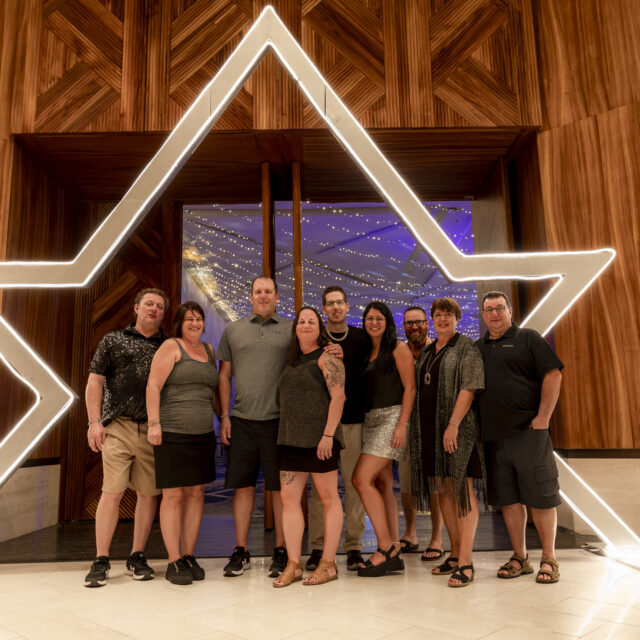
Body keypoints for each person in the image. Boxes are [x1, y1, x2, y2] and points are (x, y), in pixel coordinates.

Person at [476, 291, 563, 584]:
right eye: (489, 309)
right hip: (494, 439)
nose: (494, 314)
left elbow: (553, 374)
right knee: (509, 500)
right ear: (483, 314)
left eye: (500, 308)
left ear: (510, 311)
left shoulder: (528, 338)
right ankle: (520, 557)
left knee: (541, 497)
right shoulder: (479, 348)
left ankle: (549, 559)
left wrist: (543, 419)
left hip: (529, 433)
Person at [84, 288, 169, 588]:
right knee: (112, 492)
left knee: (148, 494)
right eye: (149, 304)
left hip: (152, 429)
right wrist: (94, 422)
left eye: (159, 306)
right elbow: (95, 382)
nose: (154, 309)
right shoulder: (113, 340)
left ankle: (137, 556)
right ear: (136, 308)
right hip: (117, 426)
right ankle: (101, 559)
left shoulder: (168, 345)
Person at [218, 276, 293, 578]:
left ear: (277, 297)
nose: (263, 296)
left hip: (279, 422)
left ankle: (281, 549)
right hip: (242, 420)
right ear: (250, 297)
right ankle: (241, 550)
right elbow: (224, 375)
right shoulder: (233, 330)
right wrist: (225, 416)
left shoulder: (291, 329)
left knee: (279, 489)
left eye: (268, 292)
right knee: (243, 487)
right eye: (258, 291)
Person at [409, 297, 485, 588]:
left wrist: (453, 424)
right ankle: (454, 554)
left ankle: (466, 561)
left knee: (461, 489)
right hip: (430, 430)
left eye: (448, 315)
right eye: (438, 315)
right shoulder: (428, 351)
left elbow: (470, 387)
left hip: (458, 429)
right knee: (443, 489)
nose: (442, 319)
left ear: (457, 318)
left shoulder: (466, 348)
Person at [146, 302, 219, 585]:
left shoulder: (209, 351)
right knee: (173, 496)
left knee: (196, 493)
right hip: (173, 434)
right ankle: (173, 559)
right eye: (189, 319)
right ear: (179, 323)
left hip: (203, 435)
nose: (195, 323)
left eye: (199, 319)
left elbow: (212, 391)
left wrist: (223, 418)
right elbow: (153, 385)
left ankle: (188, 554)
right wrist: (154, 423)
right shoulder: (171, 346)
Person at [273, 307, 346, 587]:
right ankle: (293, 564)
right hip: (290, 438)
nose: (305, 325)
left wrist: (328, 435)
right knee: (289, 500)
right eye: (301, 321)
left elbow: (339, 397)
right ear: (295, 328)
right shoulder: (290, 359)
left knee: (328, 499)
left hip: (321, 440)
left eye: (311, 321)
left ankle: (328, 564)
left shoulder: (328, 357)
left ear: (319, 328)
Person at [352, 301, 416, 577]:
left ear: (387, 321)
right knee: (383, 483)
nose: (374, 322)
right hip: (371, 420)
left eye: (379, 318)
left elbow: (410, 388)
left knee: (360, 479)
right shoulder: (366, 350)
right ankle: (394, 548)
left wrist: (402, 425)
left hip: (392, 418)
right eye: (369, 318)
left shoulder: (398, 348)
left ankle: (385, 547)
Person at [306, 286, 367, 572]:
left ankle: (354, 546)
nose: (335, 307)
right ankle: (318, 547)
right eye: (330, 303)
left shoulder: (361, 338)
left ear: (347, 305)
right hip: (323, 424)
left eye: (339, 302)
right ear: (323, 309)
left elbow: (368, 375)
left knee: (354, 484)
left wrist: (346, 359)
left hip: (353, 420)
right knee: (321, 490)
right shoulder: (315, 339)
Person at [399, 306, 445, 561]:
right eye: (409, 323)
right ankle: (410, 534)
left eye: (418, 322)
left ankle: (437, 538)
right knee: (407, 483)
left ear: (427, 324)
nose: (414, 327)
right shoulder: (399, 352)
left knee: (435, 484)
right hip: (406, 426)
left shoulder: (438, 351)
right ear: (403, 326)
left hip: (434, 426)